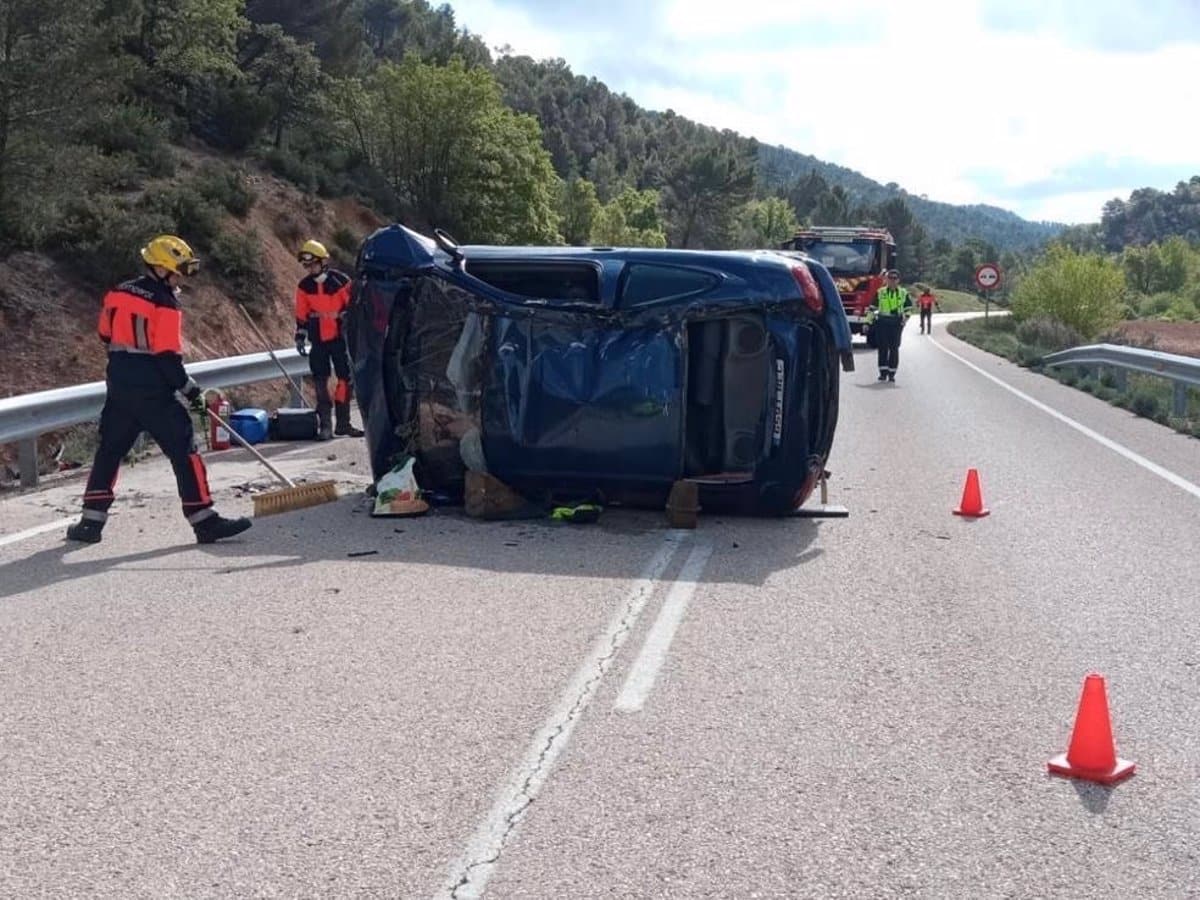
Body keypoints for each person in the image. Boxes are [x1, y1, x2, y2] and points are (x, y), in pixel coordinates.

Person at [66, 236, 252, 545]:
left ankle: (90, 524)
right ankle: (204, 520)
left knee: (109, 451)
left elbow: (104, 334)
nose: (181, 279)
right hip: (154, 392)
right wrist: (191, 391)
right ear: (162, 269)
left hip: (120, 387)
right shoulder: (165, 303)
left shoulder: (117, 292)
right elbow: (167, 357)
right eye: (178, 272)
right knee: (185, 452)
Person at [294, 239, 362, 441]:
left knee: (345, 380)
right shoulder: (304, 286)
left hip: (339, 339)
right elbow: (301, 314)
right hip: (318, 341)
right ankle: (325, 427)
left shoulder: (341, 281)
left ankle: (343, 424)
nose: (309, 268)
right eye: (306, 265)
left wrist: (350, 324)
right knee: (320, 382)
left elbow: (354, 307)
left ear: (323, 261)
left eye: (312, 264)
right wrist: (300, 336)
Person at [867, 269, 913, 382]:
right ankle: (883, 373)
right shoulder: (880, 292)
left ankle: (892, 373)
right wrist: (867, 322)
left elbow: (908, 308)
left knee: (894, 348)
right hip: (882, 322)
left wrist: (906, 318)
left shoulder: (903, 293)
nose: (892, 281)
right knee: (883, 348)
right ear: (886, 279)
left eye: (894, 278)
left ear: (898, 280)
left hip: (896, 323)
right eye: (890, 278)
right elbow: (872, 308)